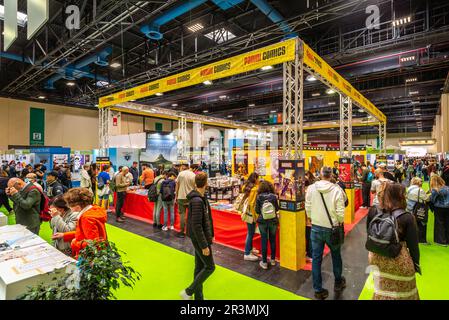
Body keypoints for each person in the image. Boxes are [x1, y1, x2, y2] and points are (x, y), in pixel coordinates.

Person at [367, 183, 420, 300]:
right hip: (398, 259)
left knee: (381, 289)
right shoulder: (407, 217)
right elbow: (413, 245)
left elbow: (369, 234)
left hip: (376, 257)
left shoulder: (374, 211)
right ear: (400, 197)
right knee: (403, 293)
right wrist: (416, 264)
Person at [305, 166, 346, 300]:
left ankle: (318, 289)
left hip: (316, 227)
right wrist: (339, 221)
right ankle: (338, 282)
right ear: (331, 175)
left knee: (316, 259)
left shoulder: (311, 188)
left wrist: (312, 218)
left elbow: (308, 207)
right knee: (336, 255)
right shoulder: (337, 190)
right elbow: (340, 212)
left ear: (321, 174)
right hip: (332, 228)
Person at [180, 172, 215, 300]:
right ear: (206, 183)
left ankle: (198, 297)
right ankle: (188, 292)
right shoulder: (197, 201)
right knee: (210, 267)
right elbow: (196, 225)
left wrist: (212, 234)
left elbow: (207, 219)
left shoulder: (201, 198)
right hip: (200, 239)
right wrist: (204, 245)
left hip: (203, 237)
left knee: (199, 267)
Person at [52, 188, 107, 259]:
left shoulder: (86, 218)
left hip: (88, 257)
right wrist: (65, 235)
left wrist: (75, 243)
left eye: (70, 206)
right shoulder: (93, 211)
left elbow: (93, 243)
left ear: (77, 207)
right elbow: (84, 233)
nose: (69, 208)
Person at [255, 180, 279, 269]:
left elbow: (257, 210)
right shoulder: (273, 197)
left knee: (264, 241)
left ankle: (264, 262)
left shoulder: (259, 197)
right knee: (273, 240)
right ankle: (272, 260)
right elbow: (276, 209)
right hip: (273, 221)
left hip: (262, 221)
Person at [242, 172, 260, 261]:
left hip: (247, 212)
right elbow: (252, 204)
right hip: (251, 213)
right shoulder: (254, 189)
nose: (259, 180)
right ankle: (247, 253)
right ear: (255, 179)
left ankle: (250, 249)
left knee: (251, 232)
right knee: (250, 233)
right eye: (258, 178)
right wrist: (255, 216)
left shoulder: (246, 186)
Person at [406, 177, 430, 244]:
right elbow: (427, 199)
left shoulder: (409, 188)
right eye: (421, 181)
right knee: (422, 224)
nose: (422, 182)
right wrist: (430, 194)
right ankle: (422, 240)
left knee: (413, 224)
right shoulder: (419, 190)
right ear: (417, 182)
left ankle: (413, 238)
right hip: (419, 209)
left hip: (410, 208)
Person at [175, 163, 196, 238]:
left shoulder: (180, 174)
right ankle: (191, 231)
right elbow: (195, 187)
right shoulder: (193, 175)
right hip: (190, 198)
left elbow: (177, 186)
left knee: (182, 215)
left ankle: (182, 231)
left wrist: (176, 196)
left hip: (181, 197)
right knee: (191, 215)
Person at [429, 176, 449, 246]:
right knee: (447, 223)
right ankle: (447, 240)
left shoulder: (436, 189)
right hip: (447, 207)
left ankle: (441, 241)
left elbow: (432, 200)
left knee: (439, 224)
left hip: (439, 208)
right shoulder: (447, 188)